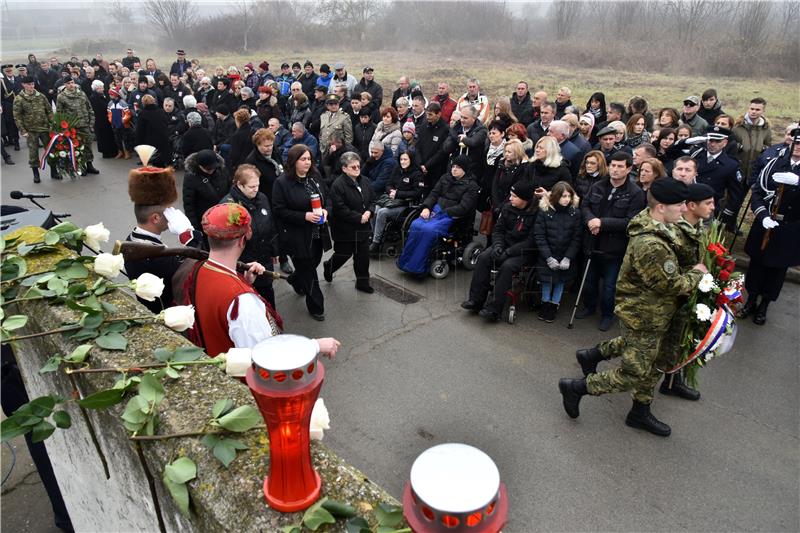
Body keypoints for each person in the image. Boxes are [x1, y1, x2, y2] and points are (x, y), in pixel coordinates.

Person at [560, 178, 707, 437]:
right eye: (680, 204)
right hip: (644, 314)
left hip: (658, 312)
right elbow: (670, 285)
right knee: (634, 373)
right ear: (661, 207)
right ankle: (577, 388)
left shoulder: (663, 225)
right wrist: (698, 274)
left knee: (653, 363)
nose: (684, 209)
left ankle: (639, 410)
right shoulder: (650, 244)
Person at [185, 203, 340, 358]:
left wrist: (244, 282)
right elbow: (267, 355)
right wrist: (315, 345)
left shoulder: (198, 270)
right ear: (242, 240)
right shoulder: (243, 302)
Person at [656, 182, 716, 401]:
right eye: (708, 203)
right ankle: (595, 356)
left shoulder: (701, 228)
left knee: (679, 342)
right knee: (652, 347)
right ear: (691, 205)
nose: (712, 208)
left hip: (687, 297)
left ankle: (673, 381)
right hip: (670, 298)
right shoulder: (675, 231)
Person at [124, 147, 202, 313]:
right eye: (168, 210)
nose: (173, 214)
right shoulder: (153, 255)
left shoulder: (131, 239)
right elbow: (193, 269)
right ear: (155, 218)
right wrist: (189, 235)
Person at [576, 151, 646, 331]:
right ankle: (589, 307)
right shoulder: (598, 186)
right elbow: (585, 206)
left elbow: (631, 221)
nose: (615, 170)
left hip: (614, 248)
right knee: (590, 282)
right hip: (592, 242)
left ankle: (607, 314)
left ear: (629, 169)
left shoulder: (635, 193)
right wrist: (591, 220)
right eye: (612, 165)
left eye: (620, 166)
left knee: (609, 286)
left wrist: (602, 223)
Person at [740, 130, 800, 325]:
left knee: (777, 270)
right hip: (766, 222)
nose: (798, 146)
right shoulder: (775, 163)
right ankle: (750, 300)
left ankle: (765, 304)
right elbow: (758, 191)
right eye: (796, 142)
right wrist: (762, 215)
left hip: (789, 227)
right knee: (757, 264)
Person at [461, 180, 537, 321]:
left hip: (522, 251)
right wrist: (497, 246)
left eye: (514, 196)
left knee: (508, 266)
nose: (510, 198)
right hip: (503, 245)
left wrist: (508, 253)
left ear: (525, 199)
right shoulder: (508, 208)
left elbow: (531, 241)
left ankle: (494, 309)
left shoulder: (536, 214)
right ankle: (476, 300)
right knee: (483, 257)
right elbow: (498, 230)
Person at [272, 144, 331, 321]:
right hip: (297, 235)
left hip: (318, 232)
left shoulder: (315, 176)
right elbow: (279, 210)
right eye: (303, 159)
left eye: (309, 159)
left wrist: (327, 210)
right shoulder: (282, 183)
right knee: (309, 271)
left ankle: (296, 280)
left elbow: (326, 197)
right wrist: (304, 216)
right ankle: (316, 306)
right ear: (293, 161)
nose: (307, 162)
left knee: (314, 262)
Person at [396, 155, 478, 275]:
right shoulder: (445, 178)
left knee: (428, 230)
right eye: (453, 166)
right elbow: (433, 194)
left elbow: (464, 207)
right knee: (415, 225)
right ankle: (404, 262)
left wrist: (444, 212)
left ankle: (417, 267)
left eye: (458, 168)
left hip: (451, 216)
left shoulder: (471, 186)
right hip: (436, 209)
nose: (454, 169)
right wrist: (426, 207)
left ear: (465, 169)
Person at [220, 164, 279, 307]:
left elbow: (270, 225)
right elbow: (227, 243)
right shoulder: (229, 208)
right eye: (252, 187)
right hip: (244, 264)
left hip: (264, 260)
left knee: (267, 300)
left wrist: (274, 250)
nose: (256, 190)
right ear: (239, 184)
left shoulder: (262, 198)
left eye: (257, 185)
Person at [323, 151, 376, 293]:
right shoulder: (338, 185)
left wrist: (369, 211)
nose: (357, 169)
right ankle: (329, 266)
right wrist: (359, 217)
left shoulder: (365, 181)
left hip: (363, 228)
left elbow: (372, 200)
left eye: (358, 166)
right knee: (343, 255)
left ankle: (362, 283)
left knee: (363, 257)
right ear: (344, 168)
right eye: (353, 167)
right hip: (345, 229)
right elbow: (340, 209)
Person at [534, 181, 582, 322]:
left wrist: (568, 257)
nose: (566, 199)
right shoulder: (545, 212)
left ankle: (554, 305)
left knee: (560, 281)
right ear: (555, 196)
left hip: (565, 254)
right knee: (546, 281)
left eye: (569, 196)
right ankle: (545, 303)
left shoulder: (575, 213)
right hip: (548, 254)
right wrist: (548, 257)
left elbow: (577, 238)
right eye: (563, 196)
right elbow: (539, 236)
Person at [370, 151, 425, 255]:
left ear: (411, 160)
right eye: (401, 159)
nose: (402, 162)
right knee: (375, 208)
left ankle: (376, 243)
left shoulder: (417, 174)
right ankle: (375, 236)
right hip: (392, 200)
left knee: (382, 212)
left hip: (406, 205)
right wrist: (391, 191)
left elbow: (417, 192)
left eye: (405, 159)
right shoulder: (397, 169)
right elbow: (388, 184)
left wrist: (398, 193)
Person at [12, 75, 53, 183]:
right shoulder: (19, 99)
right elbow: (17, 116)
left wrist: (53, 124)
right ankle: (36, 174)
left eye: (32, 84)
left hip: (44, 128)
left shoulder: (41, 96)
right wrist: (23, 130)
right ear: (23, 85)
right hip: (31, 131)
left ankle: (54, 171)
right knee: (33, 153)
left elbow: (49, 110)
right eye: (29, 84)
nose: (31, 86)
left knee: (50, 150)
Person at [56, 77, 99, 174]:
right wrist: (65, 128)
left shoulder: (81, 94)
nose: (71, 85)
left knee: (88, 146)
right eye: (68, 83)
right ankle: (81, 166)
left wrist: (91, 123)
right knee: (78, 147)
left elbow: (89, 109)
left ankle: (89, 165)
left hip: (85, 124)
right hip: (73, 127)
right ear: (65, 85)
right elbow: (60, 114)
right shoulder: (61, 97)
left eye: (72, 82)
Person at [183, 149, 231, 231]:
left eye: (213, 168)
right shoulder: (191, 177)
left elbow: (230, 189)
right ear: (199, 166)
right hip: (205, 220)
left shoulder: (221, 170)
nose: (211, 171)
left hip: (224, 216)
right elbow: (189, 205)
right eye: (208, 169)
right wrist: (195, 228)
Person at [732, 97, 772, 181]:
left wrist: (762, 148)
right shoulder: (737, 126)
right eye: (752, 109)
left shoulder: (766, 128)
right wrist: (740, 147)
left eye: (757, 110)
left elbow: (768, 147)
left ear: (763, 111)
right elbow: (730, 145)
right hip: (737, 169)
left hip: (754, 170)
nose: (753, 112)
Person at [443, 104, 488, 176]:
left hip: (471, 171)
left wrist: (461, 139)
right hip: (453, 168)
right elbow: (446, 148)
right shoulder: (456, 127)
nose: (462, 120)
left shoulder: (481, 130)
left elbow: (473, 142)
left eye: (465, 118)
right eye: (461, 117)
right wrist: (460, 139)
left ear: (474, 118)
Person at [415, 102, 450, 191]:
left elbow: (442, 152)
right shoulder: (424, 126)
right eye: (427, 114)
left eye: (430, 115)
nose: (428, 117)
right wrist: (420, 164)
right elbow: (418, 146)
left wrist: (427, 165)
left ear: (438, 114)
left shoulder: (445, 129)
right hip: (422, 167)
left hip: (436, 169)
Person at [134, 95, 172, 168]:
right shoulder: (161, 111)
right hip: (162, 140)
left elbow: (139, 131)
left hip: (149, 142)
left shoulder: (142, 114)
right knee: (161, 164)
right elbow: (167, 123)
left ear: (143, 103)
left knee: (151, 166)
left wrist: (138, 144)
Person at [319, 94, 353, 160]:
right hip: (324, 150)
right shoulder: (323, 116)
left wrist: (344, 150)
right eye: (331, 104)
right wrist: (321, 145)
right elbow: (321, 133)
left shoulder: (344, 117)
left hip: (338, 151)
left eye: (336, 104)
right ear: (327, 105)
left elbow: (349, 137)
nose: (334, 106)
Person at [89, 80, 117, 159]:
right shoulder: (94, 97)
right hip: (100, 120)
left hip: (105, 119)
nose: (102, 89)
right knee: (103, 137)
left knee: (108, 136)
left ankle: (111, 151)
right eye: (101, 88)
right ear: (96, 88)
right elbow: (101, 107)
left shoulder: (101, 95)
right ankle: (106, 152)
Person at [107, 86, 134, 160]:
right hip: (115, 124)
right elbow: (109, 113)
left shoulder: (122, 103)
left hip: (124, 125)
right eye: (110, 94)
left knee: (125, 139)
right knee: (117, 139)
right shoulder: (110, 103)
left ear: (116, 95)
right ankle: (120, 151)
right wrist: (111, 120)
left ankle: (127, 152)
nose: (110, 96)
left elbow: (128, 113)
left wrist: (123, 120)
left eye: (111, 94)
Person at [227, 108, 255, 173]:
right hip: (252, 162)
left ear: (237, 120)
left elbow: (234, 154)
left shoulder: (237, 135)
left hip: (241, 164)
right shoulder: (253, 130)